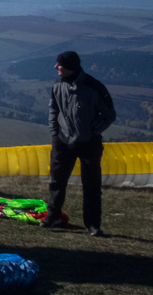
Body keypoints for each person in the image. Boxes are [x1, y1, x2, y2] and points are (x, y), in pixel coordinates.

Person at [43, 50, 116, 236]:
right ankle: (53, 217)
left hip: (88, 143)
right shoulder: (58, 85)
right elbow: (53, 109)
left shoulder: (94, 87)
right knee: (57, 181)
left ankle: (92, 224)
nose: (55, 67)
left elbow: (109, 114)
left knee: (91, 185)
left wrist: (93, 132)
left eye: (59, 64)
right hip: (62, 141)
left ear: (69, 67)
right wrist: (54, 132)